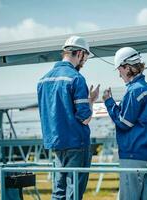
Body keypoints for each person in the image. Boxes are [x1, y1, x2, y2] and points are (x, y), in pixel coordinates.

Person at [37, 35, 100, 200]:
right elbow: (84, 118)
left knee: (59, 192)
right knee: (74, 193)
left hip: (56, 144)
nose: (84, 62)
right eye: (85, 58)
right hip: (76, 143)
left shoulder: (43, 80)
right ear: (80, 53)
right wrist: (91, 100)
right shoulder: (76, 78)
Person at [102, 47, 147, 200]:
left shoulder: (134, 90)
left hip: (133, 155)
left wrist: (109, 102)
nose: (119, 74)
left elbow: (124, 122)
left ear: (127, 67)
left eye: (120, 69)